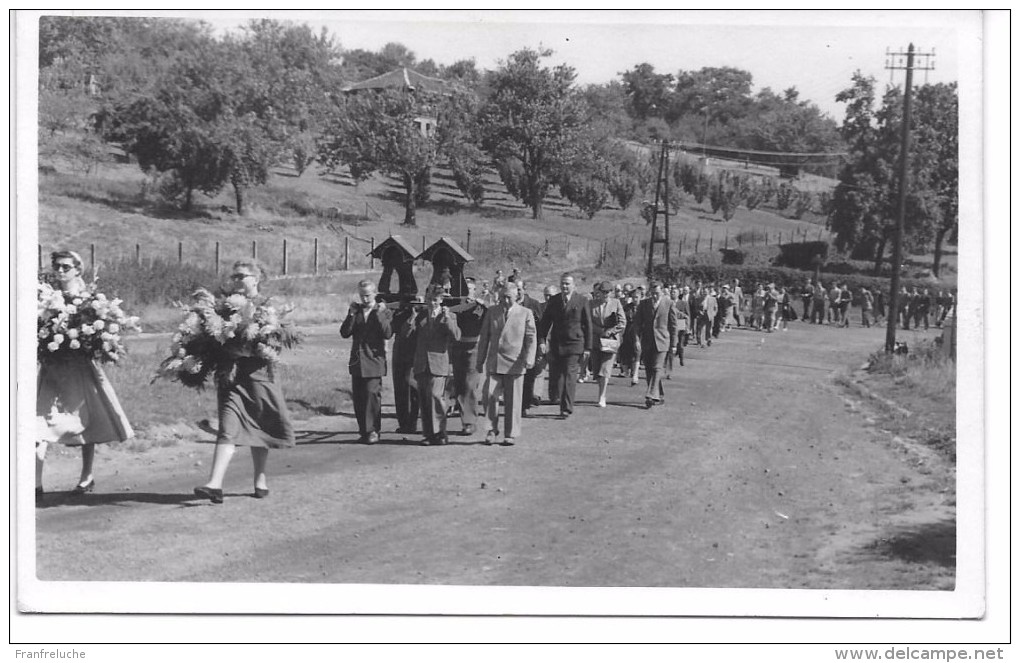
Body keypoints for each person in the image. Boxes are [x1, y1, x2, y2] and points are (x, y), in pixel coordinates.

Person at [194, 259, 295, 503]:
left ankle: (260, 479)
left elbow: (280, 338)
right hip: (231, 375)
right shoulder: (222, 307)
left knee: (260, 424)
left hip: (259, 375)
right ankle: (215, 484)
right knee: (228, 427)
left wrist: (253, 349)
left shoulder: (269, 307)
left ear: (256, 279)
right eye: (234, 276)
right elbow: (211, 336)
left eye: (242, 276)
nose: (236, 280)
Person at [36, 250, 134, 501]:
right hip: (52, 367)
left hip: (79, 367)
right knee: (39, 420)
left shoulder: (89, 299)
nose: (59, 271)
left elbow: (100, 333)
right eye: (56, 266)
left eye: (65, 267)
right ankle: (35, 482)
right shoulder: (44, 296)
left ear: (78, 269)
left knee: (85, 420)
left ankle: (86, 476)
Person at [476, 283, 536, 445]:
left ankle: (510, 433)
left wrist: (530, 358)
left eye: (509, 297)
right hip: (495, 362)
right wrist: (479, 360)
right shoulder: (492, 311)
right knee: (489, 397)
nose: (505, 300)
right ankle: (491, 430)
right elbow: (484, 338)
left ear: (517, 296)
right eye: (502, 297)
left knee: (513, 401)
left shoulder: (525, 313)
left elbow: (531, 338)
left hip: (515, 363)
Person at [340, 279, 393, 444]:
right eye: (362, 296)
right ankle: (363, 430)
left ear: (375, 294)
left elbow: (388, 333)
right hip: (358, 361)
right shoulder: (356, 312)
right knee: (360, 398)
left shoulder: (383, 311)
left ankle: (373, 431)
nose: (364, 299)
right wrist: (350, 315)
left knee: (372, 396)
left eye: (368, 296)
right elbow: (344, 333)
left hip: (374, 361)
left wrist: (380, 314)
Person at [538, 272, 592, 420]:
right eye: (562, 283)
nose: (564, 286)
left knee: (569, 374)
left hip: (575, 344)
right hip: (557, 344)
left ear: (574, 285)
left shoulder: (581, 300)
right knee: (558, 376)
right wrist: (542, 341)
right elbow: (545, 323)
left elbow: (588, 325)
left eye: (568, 283)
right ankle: (559, 399)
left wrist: (588, 347)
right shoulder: (554, 301)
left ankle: (566, 408)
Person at [413, 285, 461, 445]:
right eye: (429, 300)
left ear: (441, 300)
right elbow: (408, 333)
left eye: (435, 300)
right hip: (421, 363)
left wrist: (447, 318)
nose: (432, 303)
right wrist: (411, 318)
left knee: (436, 397)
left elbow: (456, 336)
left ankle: (440, 432)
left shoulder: (449, 316)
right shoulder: (420, 316)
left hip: (438, 363)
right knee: (425, 399)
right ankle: (428, 434)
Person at [446, 278, 486, 435]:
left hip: (473, 348)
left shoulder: (479, 307)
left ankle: (469, 422)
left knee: (469, 385)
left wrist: (482, 303)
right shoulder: (454, 305)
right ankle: (457, 413)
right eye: (465, 289)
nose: (468, 292)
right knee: (459, 383)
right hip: (456, 347)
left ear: (474, 290)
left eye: (470, 289)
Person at [633, 280, 678, 408]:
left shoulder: (669, 303)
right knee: (648, 369)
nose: (654, 296)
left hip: (663, 341)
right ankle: (659, 395)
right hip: (647, 341)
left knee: (657, 367)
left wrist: (674, 344)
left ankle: (651, 394)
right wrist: (637, 340)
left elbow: (674, 325)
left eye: (657, 293)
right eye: (652, 293)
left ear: (662, 292)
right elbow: (637, 324)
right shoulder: (643, 304)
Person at [589, 281, 626, 407]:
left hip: (610, 341)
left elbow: (622, 322)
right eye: (603, 292)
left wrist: (611, 331)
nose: (605, 294)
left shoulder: (616, 303)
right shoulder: (592, 304)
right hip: (596, 341)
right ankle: (600, 390)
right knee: (597, 369)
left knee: (605, 368)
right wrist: (599, 331)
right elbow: (587, 322)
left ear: (611, 292)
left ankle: (602, 396)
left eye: (607, 292)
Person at [391, 295, 422, 434]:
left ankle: (411, 422)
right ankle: (404, 422)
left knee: (410, 385)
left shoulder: (422, 312)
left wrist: (414, 315)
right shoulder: (399, 311)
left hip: (414, 350)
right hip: (400, 348)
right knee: (400, 386)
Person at [516, 280, 546, 415]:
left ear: (524, 289)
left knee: (528, 376)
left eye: (519, 289)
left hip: (529, 344)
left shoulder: (534, 304)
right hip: (513, 345)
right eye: (514, 289)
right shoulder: (507, 303)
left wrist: (541, 342)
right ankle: (515, 403)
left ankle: (525, 404)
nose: (517, 292)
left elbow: (540, 325)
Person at [618, 284, 642, 385]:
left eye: (637, 297)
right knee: (626, 352)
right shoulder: (627, 307)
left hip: (639, 333)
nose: (635, 299)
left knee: (637, 352)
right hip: (627, 332)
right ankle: (627, 369)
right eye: (633, 297)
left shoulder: (643, 307)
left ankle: (635, 375)